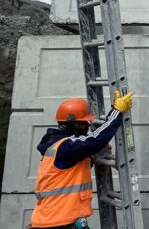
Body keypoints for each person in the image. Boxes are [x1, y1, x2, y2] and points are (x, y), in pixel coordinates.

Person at [30, 91, 134, 229]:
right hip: (59, 223)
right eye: (84, 123)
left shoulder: (59, 146)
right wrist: (116, 112)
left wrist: (93, 155)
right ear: (73, 124)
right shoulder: (65, 147)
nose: (87, 127)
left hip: (57, 220)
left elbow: (73, 169)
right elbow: (95, 139)